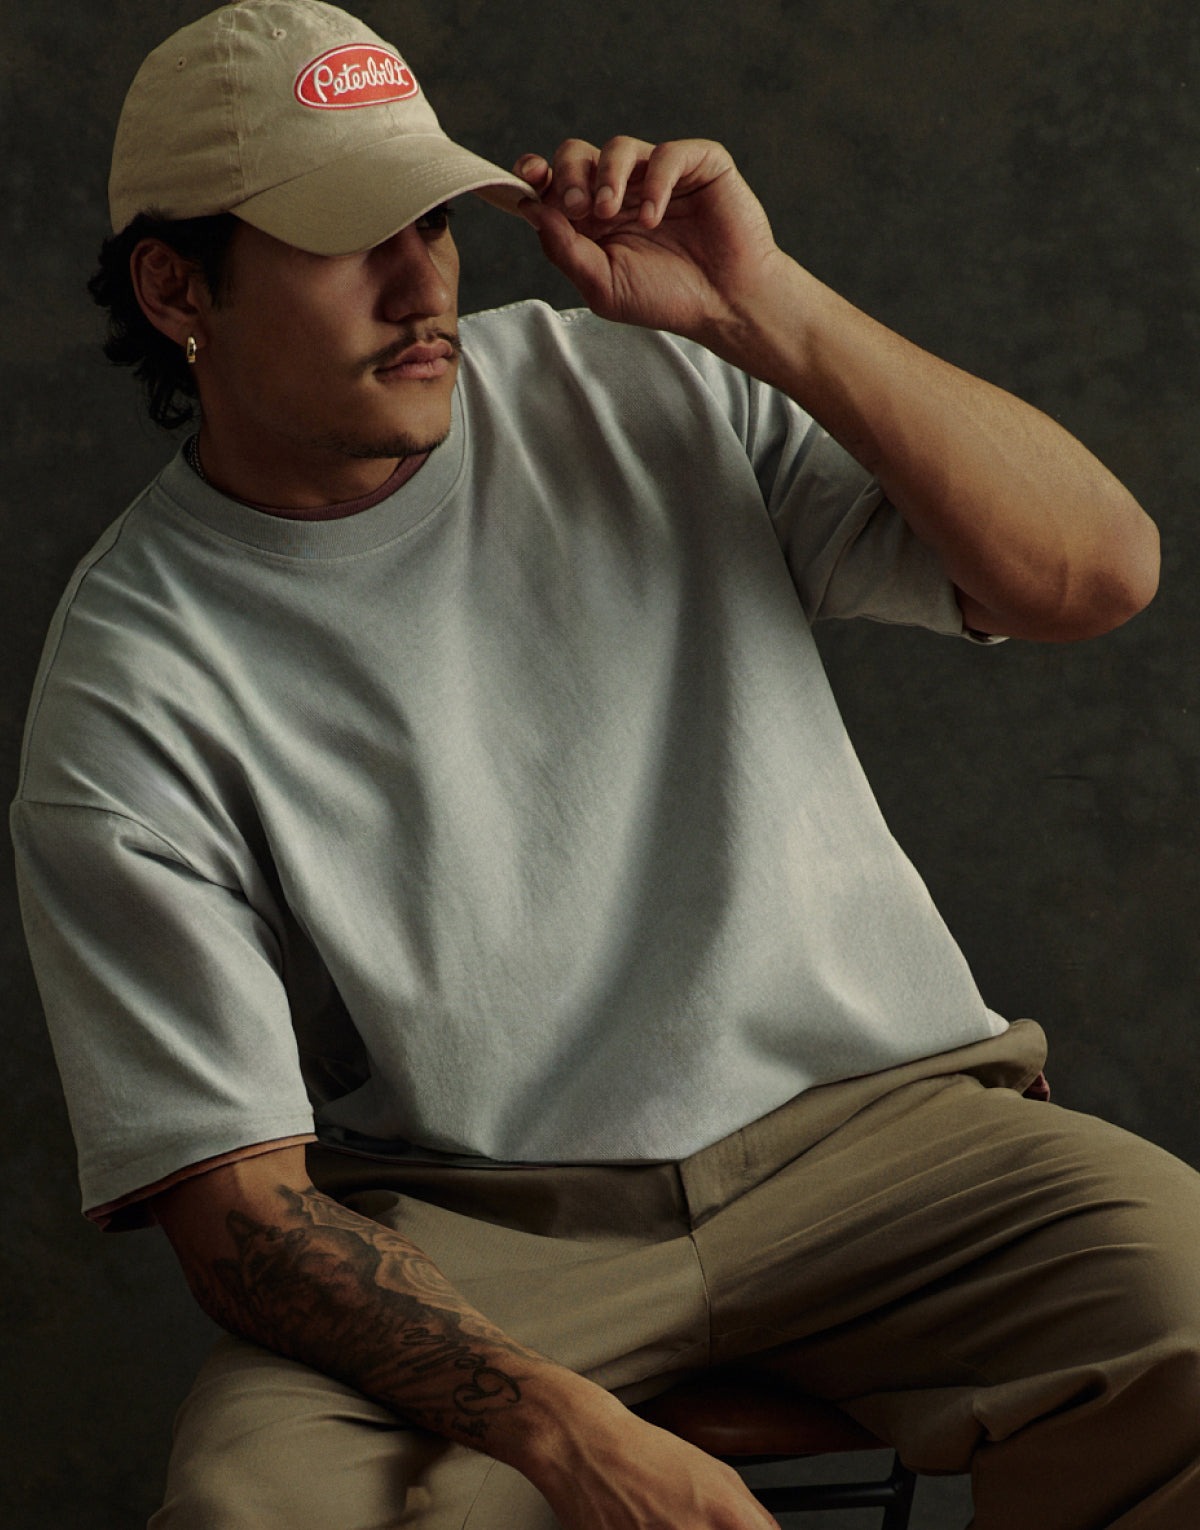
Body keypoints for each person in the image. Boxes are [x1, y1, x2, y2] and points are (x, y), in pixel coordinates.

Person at [11, 1, 1199, 1526]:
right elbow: (238, 1209)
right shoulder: (129, 679)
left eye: (433, 222)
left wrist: (763, 308)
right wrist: (569, 1434)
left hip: (886, 1140)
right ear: (178, 287)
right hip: (488, 1229)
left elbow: (1095, 573)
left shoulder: (641, 380)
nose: (420, 283)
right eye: (347, 237)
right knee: (265, 1505)